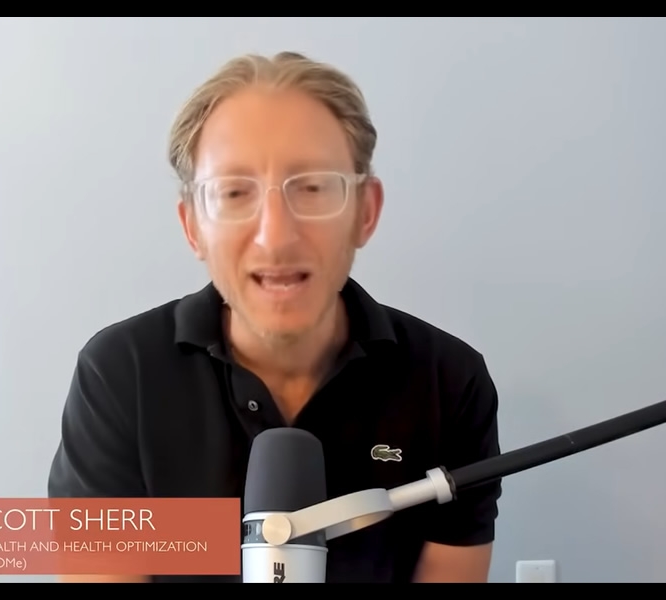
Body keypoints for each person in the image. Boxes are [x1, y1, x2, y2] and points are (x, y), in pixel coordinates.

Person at [48, 51, 502, 583]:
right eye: (234, 193)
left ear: (366, 212)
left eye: (312, 187)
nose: (276, 235)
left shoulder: (448, 383)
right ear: (192, 226)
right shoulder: (121, 375)